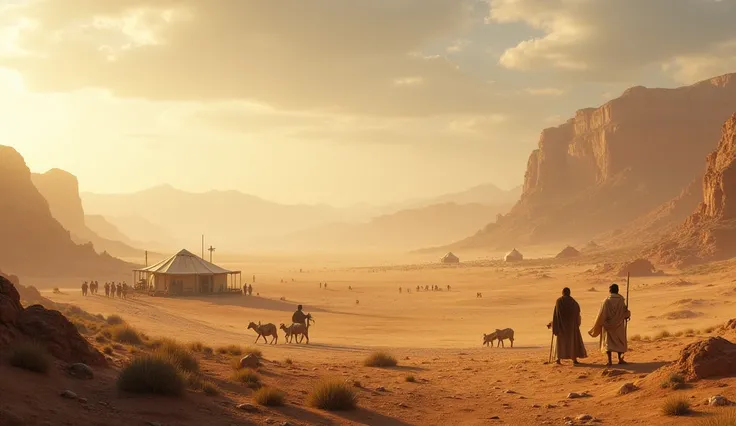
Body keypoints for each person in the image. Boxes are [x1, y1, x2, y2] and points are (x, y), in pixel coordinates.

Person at [589, 284, 631, 367]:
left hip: (608, 326)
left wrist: (599, 323)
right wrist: (627, 314)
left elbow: (602, 314)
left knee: (608, 344)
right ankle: (620, 359)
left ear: (610, 290)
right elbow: (625, 313)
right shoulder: (621, 300)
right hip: (619, 326)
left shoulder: (606, 301)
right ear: (617, 290)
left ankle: (610, 361)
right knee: (619, 342)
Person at [548, 287, 587, 365]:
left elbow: (556, 315)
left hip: (561, 327)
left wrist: (553, 324)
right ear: (569, 293)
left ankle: (558, 359)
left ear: (563, 293)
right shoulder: (574, 302)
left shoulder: (558, 301)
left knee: (560, 343)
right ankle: (574, 359)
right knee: (572, 343)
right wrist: (577, 324)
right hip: (572, 328)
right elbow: (577, 315)